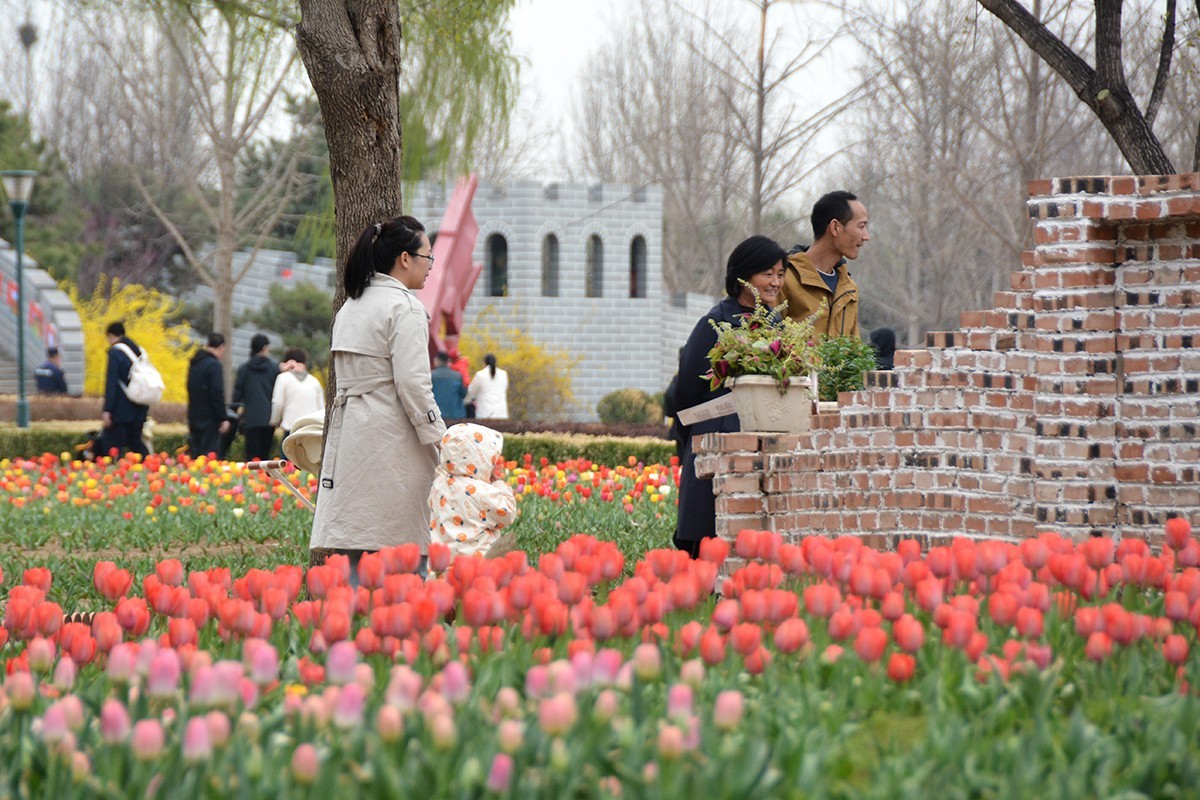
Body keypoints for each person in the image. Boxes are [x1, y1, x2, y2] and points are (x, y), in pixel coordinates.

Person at [309, 215, 446, 577]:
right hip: (393, 439)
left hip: (351, 437)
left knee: (356, 548)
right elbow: (414, 385)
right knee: (402, 552)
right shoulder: (405, 308)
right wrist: (440, 440)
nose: (430, 267)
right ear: (405, 258)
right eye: (428, 257)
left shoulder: (350, 307)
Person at [673, 235, 788, 558]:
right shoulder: (715, 323)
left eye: (780, 274)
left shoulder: (777, 326)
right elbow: (686, 394)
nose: (776, 282)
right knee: (710, 544)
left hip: (765, 450)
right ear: (743, 277)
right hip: (716, 442)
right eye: (768, 273)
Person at [780, 190, 870, 338]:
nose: (866, 236)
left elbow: (855, 353)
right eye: (861, 226)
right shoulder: (784, 279)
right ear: (835, 227)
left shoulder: (848, 288)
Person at [428, 423, 517, 559]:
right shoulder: (480, 491)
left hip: (443, 565)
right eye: (492, 461)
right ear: (478, 461)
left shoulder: (439, 483)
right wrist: (499, 484)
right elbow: (507, 512)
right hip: (477, 566)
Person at [100, 321, 150, 457]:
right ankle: (151, 465)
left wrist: (107, 409)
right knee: (136, 443)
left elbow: (112, 383)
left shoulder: (116, 353)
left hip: (121, 410)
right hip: (139, 406)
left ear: (111, 335)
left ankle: (113, 472)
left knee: (114, 446)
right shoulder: (138, 351)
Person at [233, 333, 279, 461]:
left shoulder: (244, 369)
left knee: (251, 457)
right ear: (264, 348)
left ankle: (250, 479)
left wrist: (235, 411)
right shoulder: (274, 369)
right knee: (265, 456)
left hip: (250, 419)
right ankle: (264, 479)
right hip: (269, 419)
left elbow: (237, 394)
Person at [186, 332, 231, 458]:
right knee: (208, 456)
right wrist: (223, 417)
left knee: (195, 455)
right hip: (209, 419)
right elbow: (217, 393)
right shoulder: (214, 365)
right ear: (221, 347)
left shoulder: (194, 364)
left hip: (194, 416)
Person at [270, 347, 326, 438]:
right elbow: (321, 409)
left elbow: (278, 403)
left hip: (290, 427)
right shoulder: (315, 381)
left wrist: (274, 421)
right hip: (310, 429)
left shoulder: (283, 378)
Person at [464, 354, 509, 419]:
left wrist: (466, 400)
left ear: (484, 363)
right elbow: (504, 389)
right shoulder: (503, 374)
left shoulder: (480, 375)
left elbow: (472, 392)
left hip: (484, 413)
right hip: (501, 413)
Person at [431, 351, 467, 419]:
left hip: (437, 416)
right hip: (456, 415)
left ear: (437, 360)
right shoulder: (457, 375)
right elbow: (464, 393)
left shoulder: (431, 376)